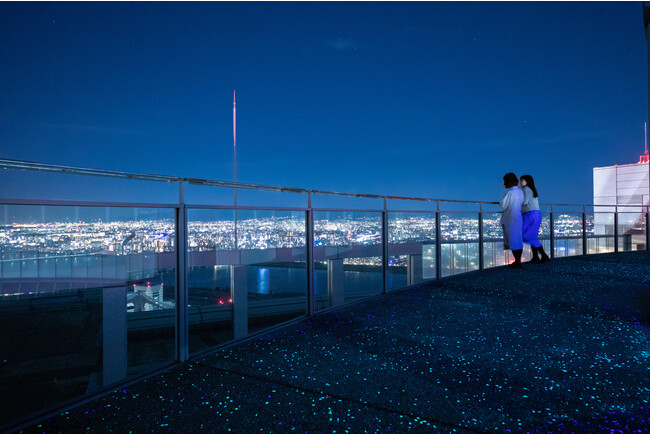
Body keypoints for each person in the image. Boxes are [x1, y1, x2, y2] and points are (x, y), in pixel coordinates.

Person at [520, 175, 550, 263]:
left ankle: (543, 255)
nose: (520, 182)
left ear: (527, 181)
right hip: (535, 214)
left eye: (522, 181)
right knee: (532, 236)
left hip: (529, 214)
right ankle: (536, 256)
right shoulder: (532, 190)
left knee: (527, 235)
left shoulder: (526, 189)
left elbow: (524, 202)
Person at [500, 172, 524, 268]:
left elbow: (503, 205)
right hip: (518, 217)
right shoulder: (520, 191)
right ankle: (518, 261)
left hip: (510, 218)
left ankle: (517, 262)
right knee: (518, 239)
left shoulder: (509, 192)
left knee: (512, 240)